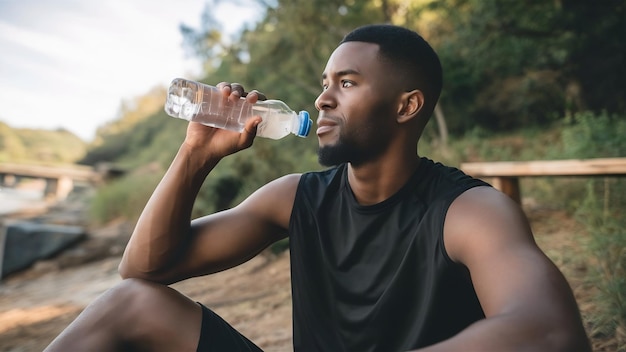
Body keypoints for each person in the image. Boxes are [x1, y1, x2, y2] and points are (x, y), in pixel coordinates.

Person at [45, 24, 591, 352]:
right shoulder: (295, 197)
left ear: (407, 106)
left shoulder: (467, 210)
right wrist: (195, 155)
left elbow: (548, 332)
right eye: (324, 84)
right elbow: (144, 268)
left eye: (346, 84)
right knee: (129, 303)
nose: (323, 99)